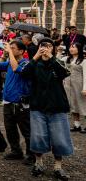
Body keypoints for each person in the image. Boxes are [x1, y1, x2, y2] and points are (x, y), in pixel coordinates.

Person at [22, 39, 73, 180]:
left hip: (57, 106)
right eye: (43, 46)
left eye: (49, 46)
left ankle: (58, 166)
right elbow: (24, 74)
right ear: (38, 48)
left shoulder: (58, 62)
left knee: (59, 138)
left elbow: (64, 73)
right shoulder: (34, 64)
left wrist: (51, 58)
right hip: (38, 106)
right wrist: (36, 56)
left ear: (54, 49)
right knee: (38, 137)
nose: (46, 48)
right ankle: (39, 163)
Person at [0, 39, 32, 164]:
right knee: (10, 129)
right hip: (8, 101)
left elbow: (15, 68)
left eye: (13, 48)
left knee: (26, 130)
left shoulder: (26, 64)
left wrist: (9, 54)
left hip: (21, 103)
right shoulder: (9, 62)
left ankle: (31, 154)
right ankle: (16, 151)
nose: (10, 49)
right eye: (10, 47)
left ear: (22, 51)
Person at [61, 43, 86, 132]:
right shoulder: (66, 59)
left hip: (79, 85)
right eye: (70, 47)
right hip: (68, 85)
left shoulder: (83, 61)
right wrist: (59, 52)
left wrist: (85, 88)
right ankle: (77, 125)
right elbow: (57, 62)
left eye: (73, 47)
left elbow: (85, 75)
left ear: (79, 49)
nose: (71, 48)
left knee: (83, 105)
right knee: (73, 105)